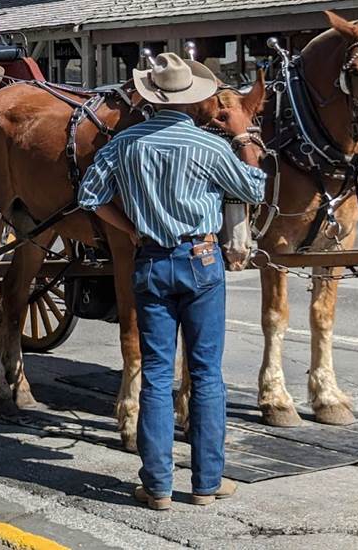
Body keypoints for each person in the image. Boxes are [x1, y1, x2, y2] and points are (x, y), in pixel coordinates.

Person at [77, 53, 267, 510]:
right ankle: (206, 483)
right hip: (201, 262)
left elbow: (90, 196)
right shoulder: (210, 147)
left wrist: (129, 228)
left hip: (151, 261)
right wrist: (245, 144)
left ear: (151, 98)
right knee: (204, 374)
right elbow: (254, 189)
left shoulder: (126, 143)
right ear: (193, 100)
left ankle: (157, 485)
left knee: (158, 375)